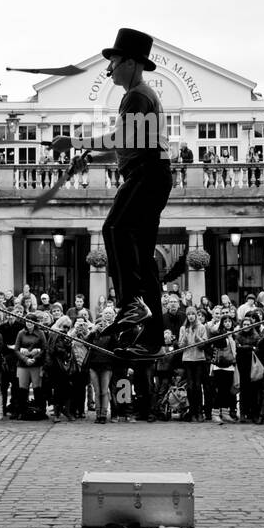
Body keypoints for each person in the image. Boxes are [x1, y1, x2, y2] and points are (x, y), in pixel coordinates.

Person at [50, 28, 171, 357]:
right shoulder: (138, 96)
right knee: (144, 261)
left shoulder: (137, 95)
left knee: (114, 228)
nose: (110, 69)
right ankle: (151, 339)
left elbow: (123, 139)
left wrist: (74, 142)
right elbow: (128, 145)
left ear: (131, 63)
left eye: (114, 62)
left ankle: (131, 304)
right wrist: (88, 158)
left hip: (147, 174)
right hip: (150, 172)